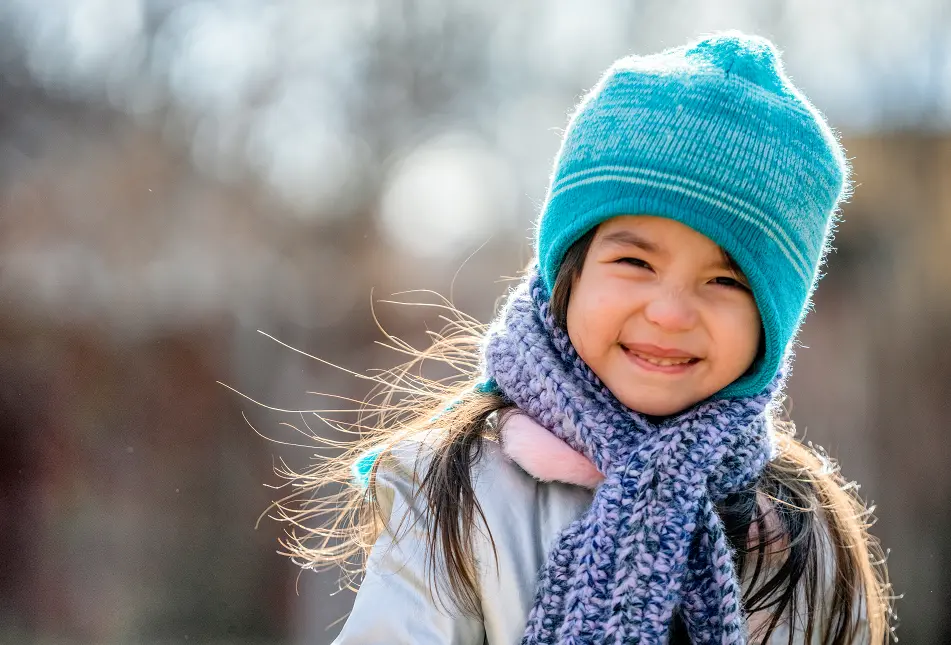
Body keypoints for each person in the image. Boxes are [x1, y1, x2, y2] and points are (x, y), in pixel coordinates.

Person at [274, 31, 894, 643]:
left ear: (772, 323)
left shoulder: (799, 531)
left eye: (726, 283)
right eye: (635, 264)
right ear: (567, 271)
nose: (671, 312)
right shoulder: (460, 493)